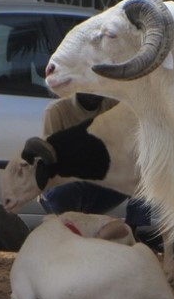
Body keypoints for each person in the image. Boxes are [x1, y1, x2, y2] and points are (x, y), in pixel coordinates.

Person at [38, 93, 154, 238]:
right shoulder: (56, 111)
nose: (95, 94)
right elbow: (50, 158)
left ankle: (131, 232)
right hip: (68, 183)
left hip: (100, 182)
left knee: (141, 169)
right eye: (90, 89)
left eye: (99, 90)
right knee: (59, 193)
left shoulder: (112, 105)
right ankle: (68, 236)